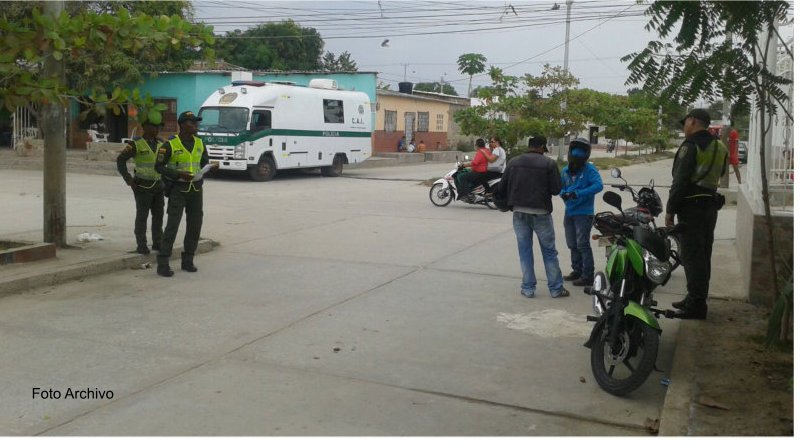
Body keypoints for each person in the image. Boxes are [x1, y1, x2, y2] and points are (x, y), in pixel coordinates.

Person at [666, 109, 728, 320]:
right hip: (710, 207)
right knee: (703, 254)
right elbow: (720, 173)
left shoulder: (691, 146)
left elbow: (680, 181)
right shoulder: (719, 146)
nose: (684, 127)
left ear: (692, 121)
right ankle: (695, 297)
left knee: (691, 256)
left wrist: (669, 211)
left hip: (690, 208)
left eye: (686, 123)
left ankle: (696, 305)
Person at [497, 135, 569, 299]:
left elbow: (502, 187)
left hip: (519, 212)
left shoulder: (514, 162)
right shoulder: (549, 163)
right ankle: (556, 289)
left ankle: (528, 288)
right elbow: (556, 190)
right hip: (541, 213)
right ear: (542, 147)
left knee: (524, 251)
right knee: (549, 252)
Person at [154, 111, 219, 277]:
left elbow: (204, 163)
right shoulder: (170, 145)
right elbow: (159, 167)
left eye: (196, 123)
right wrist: (178, 175)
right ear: (182, 125)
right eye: (192, 123)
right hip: (178, 189)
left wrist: (211, 168)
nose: (196, 125)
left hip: (196, 189)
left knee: (195, 225)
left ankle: (188, 259)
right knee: (172, 226)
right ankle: (163, 263)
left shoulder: (199, 143)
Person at [559, 137, 603, 287]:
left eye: (580, 154)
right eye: (574, 153)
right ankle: (576, 270)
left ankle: (588, 275)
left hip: (584, 213)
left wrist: (579, 193)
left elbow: (598, 186)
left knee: (582, 244)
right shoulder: (565, 170)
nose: (576, 156)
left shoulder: (590, 170)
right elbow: (560, 186)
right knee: (572, 243)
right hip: (569, 212)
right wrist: (563, 193)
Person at [116, 119, 164, 255]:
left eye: (157, 126)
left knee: (158, 216)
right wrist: (129, 179)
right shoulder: (136, 144)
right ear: (145, 127)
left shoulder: (161, 143)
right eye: (153, 126)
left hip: (158, 185)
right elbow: (121, 160)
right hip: (142, 186)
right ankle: (141, 245)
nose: (156, 129)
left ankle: (158, 243)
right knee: (142, 216)